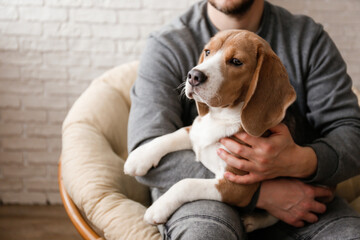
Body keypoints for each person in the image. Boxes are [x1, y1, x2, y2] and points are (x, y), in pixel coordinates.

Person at [128, 0, 360, 239]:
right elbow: (144, 151)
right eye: (207, 53)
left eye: (236, 62)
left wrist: (297, 161)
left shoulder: (308, 39)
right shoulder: (167, 44)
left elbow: (352, 135)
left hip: (304, 196)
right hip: (204, 197)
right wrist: (260, 193)